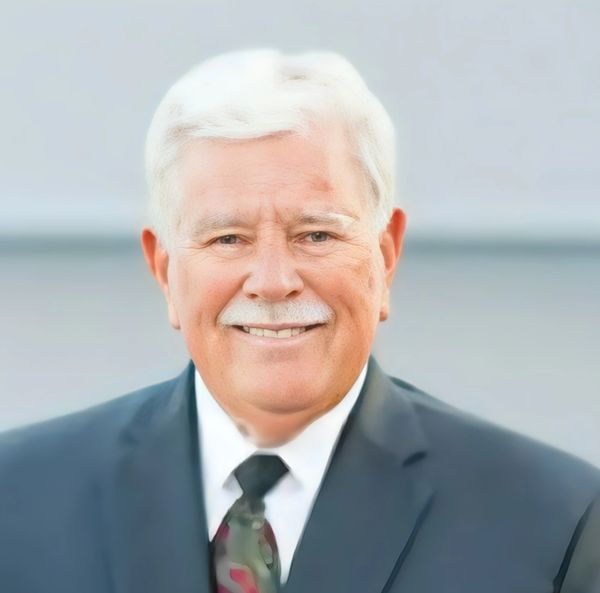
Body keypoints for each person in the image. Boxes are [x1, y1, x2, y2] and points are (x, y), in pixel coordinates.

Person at [1, 49, 599, 593]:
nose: (272, 280)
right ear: (164, 270)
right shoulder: (18, 499)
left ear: (386, 256)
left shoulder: (555, 523)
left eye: (316, 235)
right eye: (228, 238)